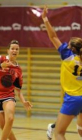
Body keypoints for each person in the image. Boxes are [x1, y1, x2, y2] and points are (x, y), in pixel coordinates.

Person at [42, 5, 82, 140]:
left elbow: (53, 36)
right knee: (81, 130)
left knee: (59, 133)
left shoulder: (67, 56)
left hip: (73, 98)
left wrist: (45, 19)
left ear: (71, 48)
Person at [0, 40, 32, 140]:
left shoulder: (18, 69)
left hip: (8, 96)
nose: (14, 50)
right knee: (4, 127)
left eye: (17, 49)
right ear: (8, 50)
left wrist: (24, 101)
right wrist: (0, 65)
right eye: (12, 48)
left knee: (10, 119)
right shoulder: (0, 58)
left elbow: (18, 90)